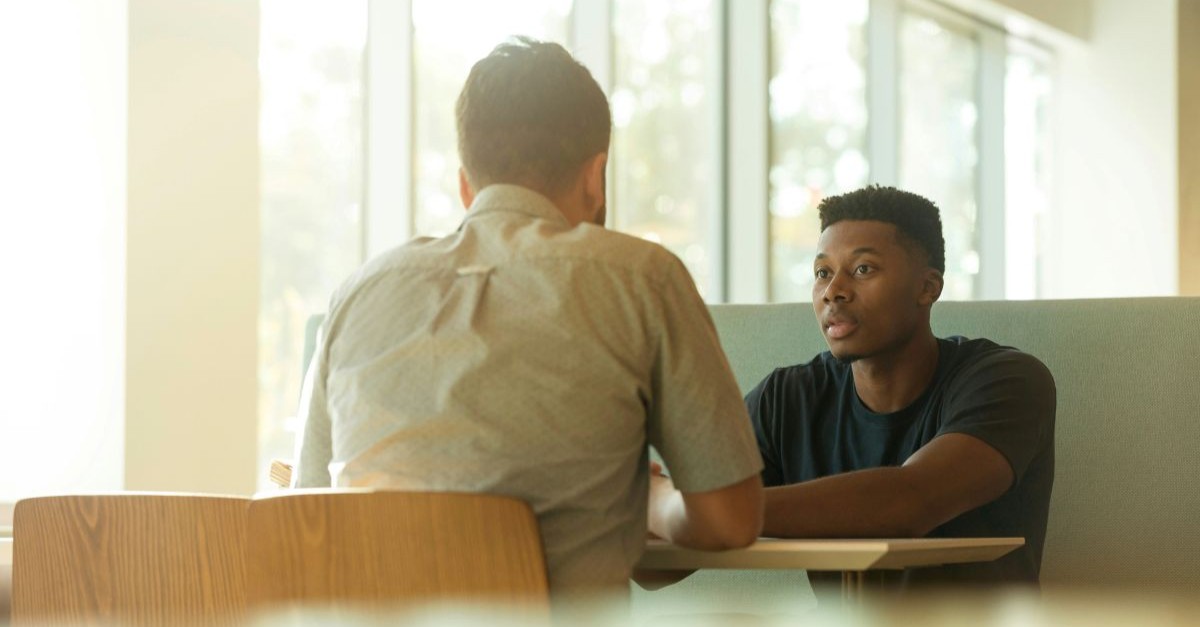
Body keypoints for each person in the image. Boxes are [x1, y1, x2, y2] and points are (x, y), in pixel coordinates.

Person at [291, 37, 764, 602]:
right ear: (596, 177)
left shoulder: (357, 293)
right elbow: (730, 521)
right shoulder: (643, 278)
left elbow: (306, 514)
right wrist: (654, 501)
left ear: (467, 185)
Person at [745, 185, 1055, 590]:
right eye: (822, 272)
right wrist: (656, 507)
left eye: (862, 270)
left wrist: (707, 511)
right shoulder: (786, 399)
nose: (832, 291)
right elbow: (657, 569)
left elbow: (909, 502)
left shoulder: (1008, 381)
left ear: (927, 288)